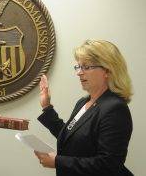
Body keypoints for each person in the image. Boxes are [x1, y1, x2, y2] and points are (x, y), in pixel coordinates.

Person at [34, 40, 133, 176]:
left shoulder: (115, 109)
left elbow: (108, 164)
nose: (79, 73)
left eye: (86, 67)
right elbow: (72, 137)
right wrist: (46, 107)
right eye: (78, 67)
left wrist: (58, 162)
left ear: (108, 71)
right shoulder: (83, 102)